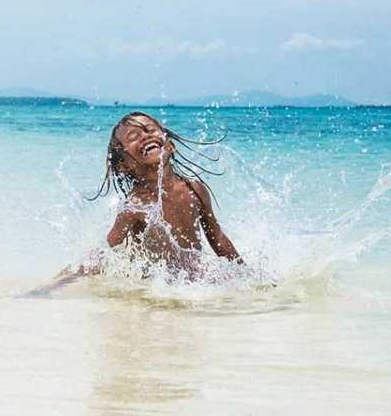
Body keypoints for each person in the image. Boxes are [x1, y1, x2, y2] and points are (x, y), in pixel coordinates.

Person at [28, 111, 242, 295]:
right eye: (133, 136)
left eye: (150, 130)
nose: (146, 137)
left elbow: (219, 240)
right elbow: (102, 255)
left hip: (196, 284)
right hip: (158, 289)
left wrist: (247, 275)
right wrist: (51, 286)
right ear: (123, 165)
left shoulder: (195, 189)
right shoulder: (136, 205)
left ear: (171, 146)